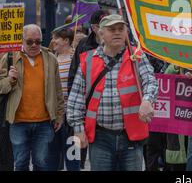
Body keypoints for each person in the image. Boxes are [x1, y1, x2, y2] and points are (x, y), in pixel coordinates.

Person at [67, 14, 159, 171]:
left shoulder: (136, 56)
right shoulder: (87, 60)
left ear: (126, 32)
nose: (117, 32)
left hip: (131, 136)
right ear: (101, 33)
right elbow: (76, 98)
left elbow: (150, 81)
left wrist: (147, 100)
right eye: (112, 29)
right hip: (100, 138)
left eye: (121, 29)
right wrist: (78, 129)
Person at [0, 25, 65, 171]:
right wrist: (9, 79)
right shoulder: (10, 57)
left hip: (44, 122)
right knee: (21, 163)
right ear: (22, 41)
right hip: (18, 122)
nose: (34, 45)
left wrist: (59, 116)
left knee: (41, 163)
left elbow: (58, 90)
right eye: (30, 42)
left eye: (38, 41)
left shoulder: (50, 59)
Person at [67, 9, 108, 168]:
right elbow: (73, 75)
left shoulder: (119, 44)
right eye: (101, 25)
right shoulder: (84, 46)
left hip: (105, 108)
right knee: (77, 146)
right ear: (94, 28)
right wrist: (74, 105)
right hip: (85, 105)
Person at [49, 28, 80, 171]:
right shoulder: (51, 59)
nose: (53, 41)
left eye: (56, 38)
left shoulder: (75, 60)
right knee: (52, 156)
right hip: (54, 115)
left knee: (72, 155)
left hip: (71, 116)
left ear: (66, 41)